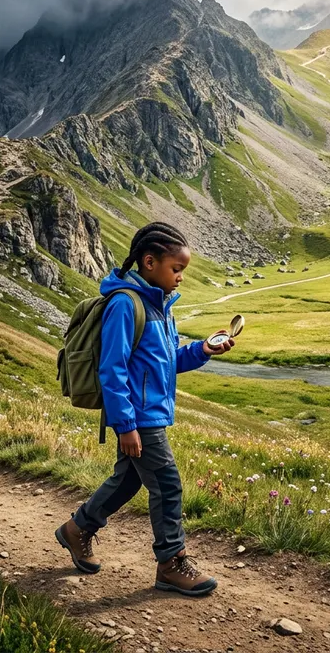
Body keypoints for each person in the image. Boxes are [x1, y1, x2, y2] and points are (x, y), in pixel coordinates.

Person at [55, 222, 234, 596]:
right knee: (167, 485)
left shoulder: (161, 306)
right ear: (150, 262)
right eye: (177, 269)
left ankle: (77, 529)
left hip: (146, 415)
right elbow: (112, 369)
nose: (180, 277)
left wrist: (203, 350)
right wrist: (126, 426)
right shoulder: (125, 304)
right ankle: (171, 563)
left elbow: (167, 362)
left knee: (128, 480)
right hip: (138, 418)